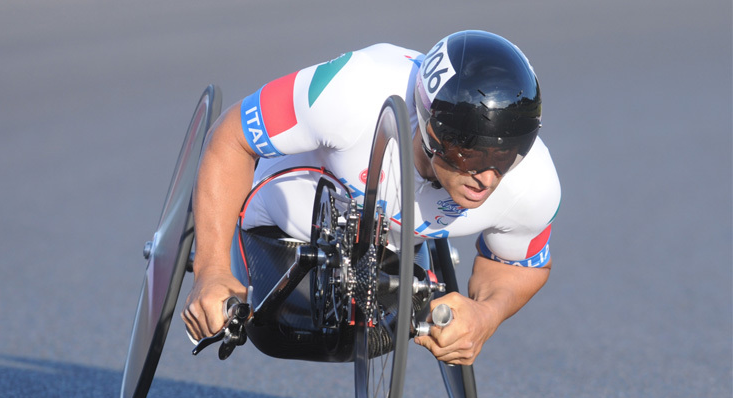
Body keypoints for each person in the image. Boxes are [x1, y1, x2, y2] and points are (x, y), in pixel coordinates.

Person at [182, 30, 561, 365]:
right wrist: (211, 270)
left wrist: (485, 314)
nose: (487, 177)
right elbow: (231, 137)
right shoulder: (353, 89)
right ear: (431, 130)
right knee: (272, 328)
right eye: (469, 154)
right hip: (281, 212)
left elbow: (519, 264)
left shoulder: (532, 183)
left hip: (390, 245)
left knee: (374, 330)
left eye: (505, 156)